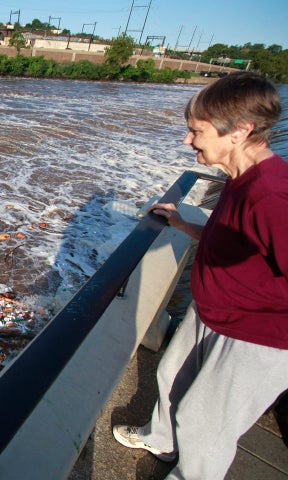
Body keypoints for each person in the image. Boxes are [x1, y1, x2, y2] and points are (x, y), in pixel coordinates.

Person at [112, 71, 288, 479]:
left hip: (255, 336)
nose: (187, 141)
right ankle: (162, 440)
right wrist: (183, 225)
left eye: (196, 131)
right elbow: (238, 238)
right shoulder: (239, 177)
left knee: (204, 425)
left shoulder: (274, 195)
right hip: (213, 314)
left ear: (240, 130)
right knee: (169, 374)